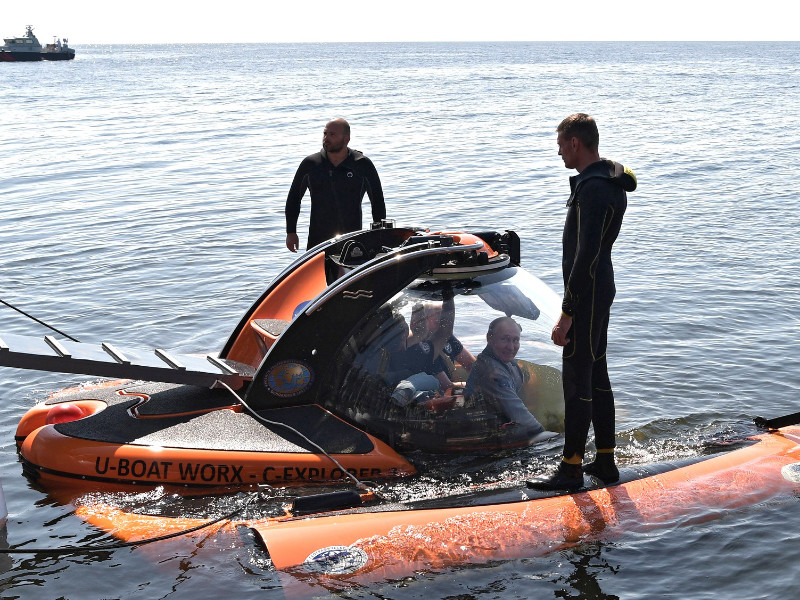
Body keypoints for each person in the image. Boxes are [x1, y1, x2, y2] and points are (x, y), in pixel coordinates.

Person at [527, 113, 637, 491]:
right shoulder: (609, 179)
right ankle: (605, 460)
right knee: (597, 373)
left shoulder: (593, 189)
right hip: (601, 288)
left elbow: (585, 257)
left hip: (588, 294)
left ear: (575, 143)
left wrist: (567, 313)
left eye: (561, 145)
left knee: (576, 379)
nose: (559, 153)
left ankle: (571, 468)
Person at [285, 118, 386, 252]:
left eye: (332, 134)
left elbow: (377, 201)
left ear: (346, 139)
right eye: (325, 134)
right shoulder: (311, 164)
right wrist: (291, 232)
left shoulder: (361, 164)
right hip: (318, 242)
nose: (326, 138)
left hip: (352, 241)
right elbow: (294, 199)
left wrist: (380, 235)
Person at [464, 316, 555, 441]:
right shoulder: (493, 372)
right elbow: (523, 419)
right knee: (553, 438)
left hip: (499, 424)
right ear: (489, 338)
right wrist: (549, 438)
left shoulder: (504, 362)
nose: (511, 347)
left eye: (515, 340)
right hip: (484, 435)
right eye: (505, 339)